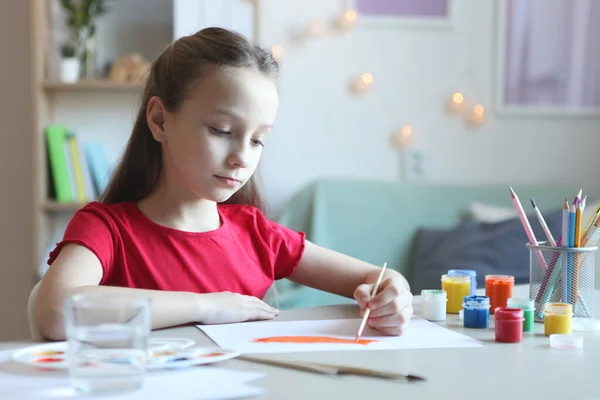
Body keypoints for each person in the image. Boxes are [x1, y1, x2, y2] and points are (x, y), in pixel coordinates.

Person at [35, 27, 413, 341]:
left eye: (257, 140)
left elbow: (376, 278)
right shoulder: (107, 229)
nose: (242, 157)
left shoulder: (258, 235)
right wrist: (210, 306)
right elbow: (54, 311)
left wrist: (393, 292)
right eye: (221, 130)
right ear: (160, 120)